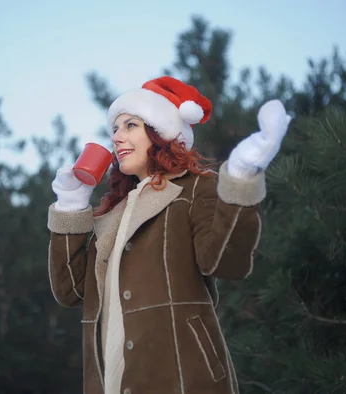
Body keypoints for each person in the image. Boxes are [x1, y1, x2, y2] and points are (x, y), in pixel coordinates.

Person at [47, 76, 291, 394]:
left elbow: (227, 262)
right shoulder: (110, 214)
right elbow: (71, 292)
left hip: (183, 381)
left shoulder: (194, 188)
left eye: (130, 125)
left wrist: (241, 177)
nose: (117, 137)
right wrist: (71, 206)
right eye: (114, 130)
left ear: (160, 132)